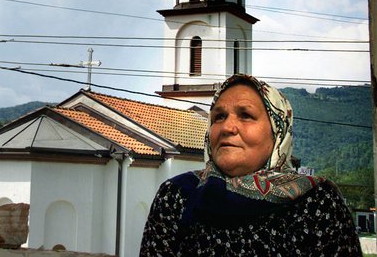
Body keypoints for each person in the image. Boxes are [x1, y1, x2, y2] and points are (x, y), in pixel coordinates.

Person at [140, 74, 362, 256]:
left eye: (245, 115)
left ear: (277, 132)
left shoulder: (317, 202)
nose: (228, 127)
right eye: (218, 117)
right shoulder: (177, 195)